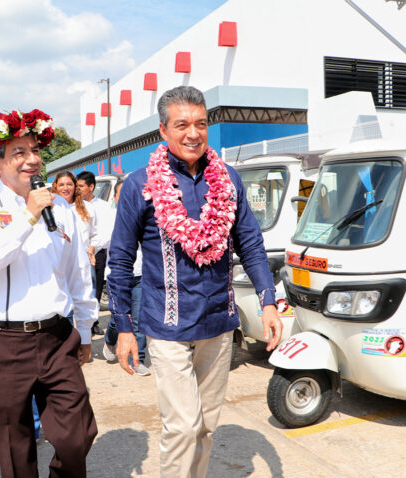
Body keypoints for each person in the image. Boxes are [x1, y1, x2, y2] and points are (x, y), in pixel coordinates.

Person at [107, 86, 282, 477]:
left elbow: (250, 244)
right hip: (166, 325)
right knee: (182, 427)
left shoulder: (228, 180)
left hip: (218, 325)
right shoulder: (140, 185)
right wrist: (123, 326)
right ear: (163, 131)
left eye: (201, 123)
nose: (193, 133)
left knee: (204, 427)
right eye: (182, 124)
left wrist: (268, 301)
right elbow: (120, 258)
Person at [0, 108, 97, 478]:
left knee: (77, 436)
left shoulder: (63, 209)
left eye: (35, 150)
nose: (32, 160)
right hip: (4, 341)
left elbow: (78, 275)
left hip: (57, 336)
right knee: (14, 444)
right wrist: (28, 217)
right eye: (18, 152)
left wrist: (84, 330)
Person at [103, 180, 150, 376]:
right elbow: (105, 241)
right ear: (115, 198)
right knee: (117, 319)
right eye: (122, 194)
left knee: (138, 319)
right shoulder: (109, 217)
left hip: (140, 273)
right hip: (117, 277)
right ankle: (109, 340)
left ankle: (137, 359)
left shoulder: (145, 214)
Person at [76, 170, 114, 334]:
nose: (78, 189)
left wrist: (93, 248)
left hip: (97, 253)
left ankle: (93, 322)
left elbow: (105, 232)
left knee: (95, 289)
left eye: (81, 186)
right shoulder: (75, 206)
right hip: (79, 254)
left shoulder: (103, 207)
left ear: (91, 187)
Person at [52, 171, 97, 268]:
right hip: (57, 263)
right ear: (55, 187)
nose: (65, 188)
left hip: (83, 263)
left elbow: (95, 234)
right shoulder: (50, 208)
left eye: (69, 184)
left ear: (75, 187)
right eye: (61, 185)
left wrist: (92, 247)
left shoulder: (88, 208)